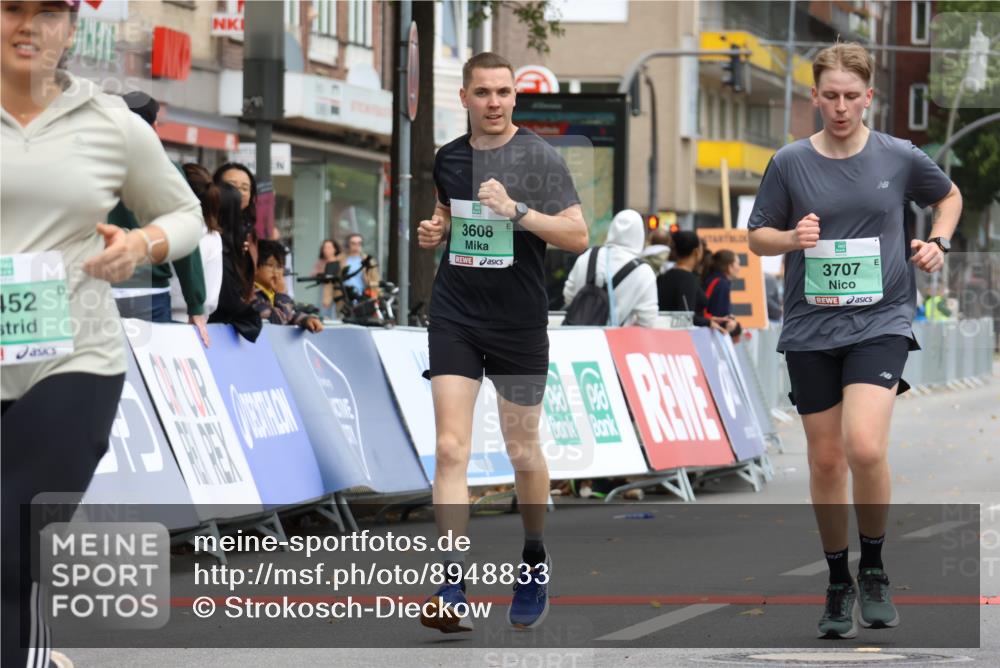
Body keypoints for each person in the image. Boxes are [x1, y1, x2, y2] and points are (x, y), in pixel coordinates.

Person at [1, 4, 203, 668]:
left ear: (71, 27)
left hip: (75, 358)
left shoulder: (110, 123)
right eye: (11, 9)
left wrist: (141, 245)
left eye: (49, 13)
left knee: (10, 545)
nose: (29, 27)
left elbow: (185, 215)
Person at [747, 42, 961, 639]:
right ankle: (838, 580)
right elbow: (756, 238)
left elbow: (948, 196)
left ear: (870, 97)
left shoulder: (898, 155)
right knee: (825, 459)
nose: (840, 107)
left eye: (851, 97)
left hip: (881, 322)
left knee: (864, 448)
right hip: (812, 328)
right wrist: (791, 238)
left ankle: (873, 566)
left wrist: (936, 242)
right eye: (830, 96)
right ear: (814, 95)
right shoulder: (790, 162)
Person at [415, 51, 588, 633]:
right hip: (456, 314)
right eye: (483, 92)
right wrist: (437, 229)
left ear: (516, 98)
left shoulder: (538, 156)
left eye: (504, 93)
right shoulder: (449, 156)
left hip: (517, 323)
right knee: (448, 448)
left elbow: (578, 235)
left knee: (521, 452)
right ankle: (452, 581)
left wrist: (518, 211)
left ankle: (534, 556)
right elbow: (448, 213)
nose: (494, 102)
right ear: (463, 97)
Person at [107, 91, 210, 346]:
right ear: (153, 127)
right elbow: (186, 240)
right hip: (150, 291)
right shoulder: (164, 167)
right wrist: (195, 304)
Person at [563, 209, 658, 327]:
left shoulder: (588, 256)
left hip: (577, 337)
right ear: (640, 234)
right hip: (615, 342)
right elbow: (648, 321)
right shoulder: (644, 272)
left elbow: (568, 295)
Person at [207, 182, 262, 342]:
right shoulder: (217, 247)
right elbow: (227, 300)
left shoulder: (235, 245)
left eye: (246, 188)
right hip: (211, 333)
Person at [171, 163, 224, 325]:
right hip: (197, 323)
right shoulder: (212, 235)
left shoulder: (163, 228)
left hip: (160, 315)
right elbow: (210, 298)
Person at [657, 231, 738, 335]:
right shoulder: (687, 279)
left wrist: (709, 319)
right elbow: (685, 316)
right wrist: (707, 322)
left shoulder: (663, 276)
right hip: (680, 340)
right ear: (696, 252)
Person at [253, 240, 323, 332]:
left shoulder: (272, 294)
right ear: (255, 267)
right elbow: (279, 321)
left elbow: (290, 315)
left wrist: (306, 320)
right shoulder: (251, 295)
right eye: (270, 265)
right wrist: (281, 294)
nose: (276, 272)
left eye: (279, 266)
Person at [213, 161, 258, 265]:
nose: (239, 193)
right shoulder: (208, 226)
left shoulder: (249, 231)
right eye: (231, 186)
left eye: (245, 188)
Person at [339, 233, 380, 302]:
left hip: (363, 296)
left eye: (359, 243)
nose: (356, 246)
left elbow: (375, 279)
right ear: (348, 244)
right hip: (344, 297)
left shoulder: (367, 260)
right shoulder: (341, 259)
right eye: (353, 243)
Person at [312, 238, 341, 320]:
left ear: (334, 249)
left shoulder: (340, 261)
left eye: (329, 247)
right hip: (324, 291)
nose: (326, 250)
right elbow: (313, 274)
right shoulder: (321, 262)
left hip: (337, 292)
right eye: (324, 248)